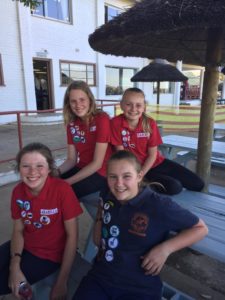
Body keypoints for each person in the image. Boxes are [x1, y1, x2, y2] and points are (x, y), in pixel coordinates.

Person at [73, 150, 208, 300]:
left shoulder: (158, 204)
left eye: (127, 176)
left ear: (139, 176)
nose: (119, 184)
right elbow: (97, 240)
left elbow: (200, 228)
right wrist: (100, 217)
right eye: (113, 177)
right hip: (101, 277)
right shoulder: (107, 193)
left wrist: (165, 249)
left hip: (138, 286)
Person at [0, 143, 83, 300]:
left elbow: (72, 236)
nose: (32, 172)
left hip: (49, 255)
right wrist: (14, 264)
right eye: (26, 166)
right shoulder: (18, 191)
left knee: (5, 284)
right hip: (25, 245)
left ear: (49, 168)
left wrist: (62, 282)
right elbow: (18, 230)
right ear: (19, 169)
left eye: (40, 166)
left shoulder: (62, 190)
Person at [110, 87, 204, 195]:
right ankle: (146, 183)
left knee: (198, 184)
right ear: (121, 105)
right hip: (133, 168)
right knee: (175, 187)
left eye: (138, 105)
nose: (133, 109)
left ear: (144, 106)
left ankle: (145, 181)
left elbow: (152, 155)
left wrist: (141, 174)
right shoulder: (115, 123)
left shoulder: (150, 123)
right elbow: (122, 156)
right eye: (128, 104)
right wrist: (137, 175)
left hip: (155, 163)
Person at [58, 80, 112, 199]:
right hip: (81, 167)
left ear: (90, 100)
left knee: (60, 193)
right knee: (46, 183)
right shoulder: (71, 124)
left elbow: (97, 164)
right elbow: (71, 160)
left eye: (82, 99)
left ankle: (69, 218)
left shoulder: (101, 119)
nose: (78, 105)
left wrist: (67, 182)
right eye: (73, 101)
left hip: (101, 173)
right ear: (68, 104)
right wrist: (54, 172)